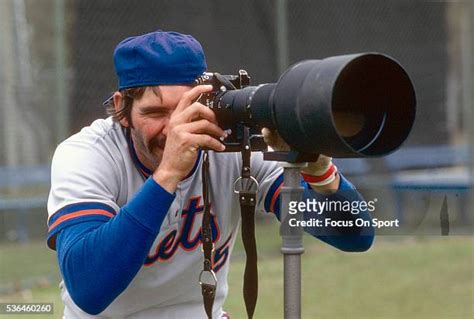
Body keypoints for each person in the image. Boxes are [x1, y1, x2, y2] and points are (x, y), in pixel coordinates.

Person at [47, 30, 374, 318]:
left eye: (186, 111)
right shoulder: (88, 154)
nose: (175, 128)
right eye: (156, 113)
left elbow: (355, 236)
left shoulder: (227, 145)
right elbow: (88, 289)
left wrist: (320, 171)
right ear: (122, 108)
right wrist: (168, 174)